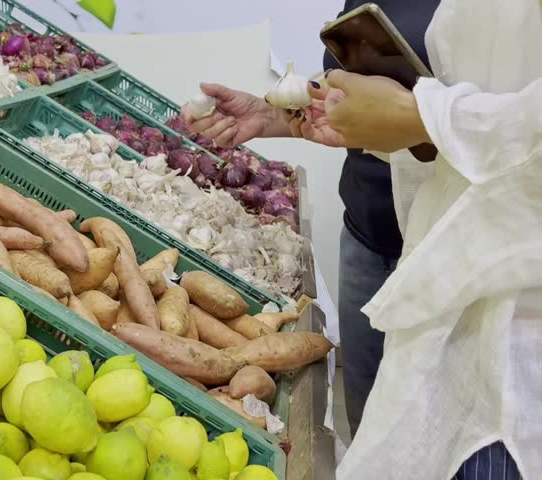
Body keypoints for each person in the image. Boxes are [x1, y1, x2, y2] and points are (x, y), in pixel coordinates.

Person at [283, 0, 542, 478]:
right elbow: (457, 132)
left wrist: (424, 117)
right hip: (437, 270)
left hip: (517, 331)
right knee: (389, 431)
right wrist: (409, 125)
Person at [183, 0, 440, 438]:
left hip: (449, 257)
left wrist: (421, 120)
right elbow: (350, 93)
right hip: (367, 236)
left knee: (435, 436)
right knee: (367, 425)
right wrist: (271, 113)